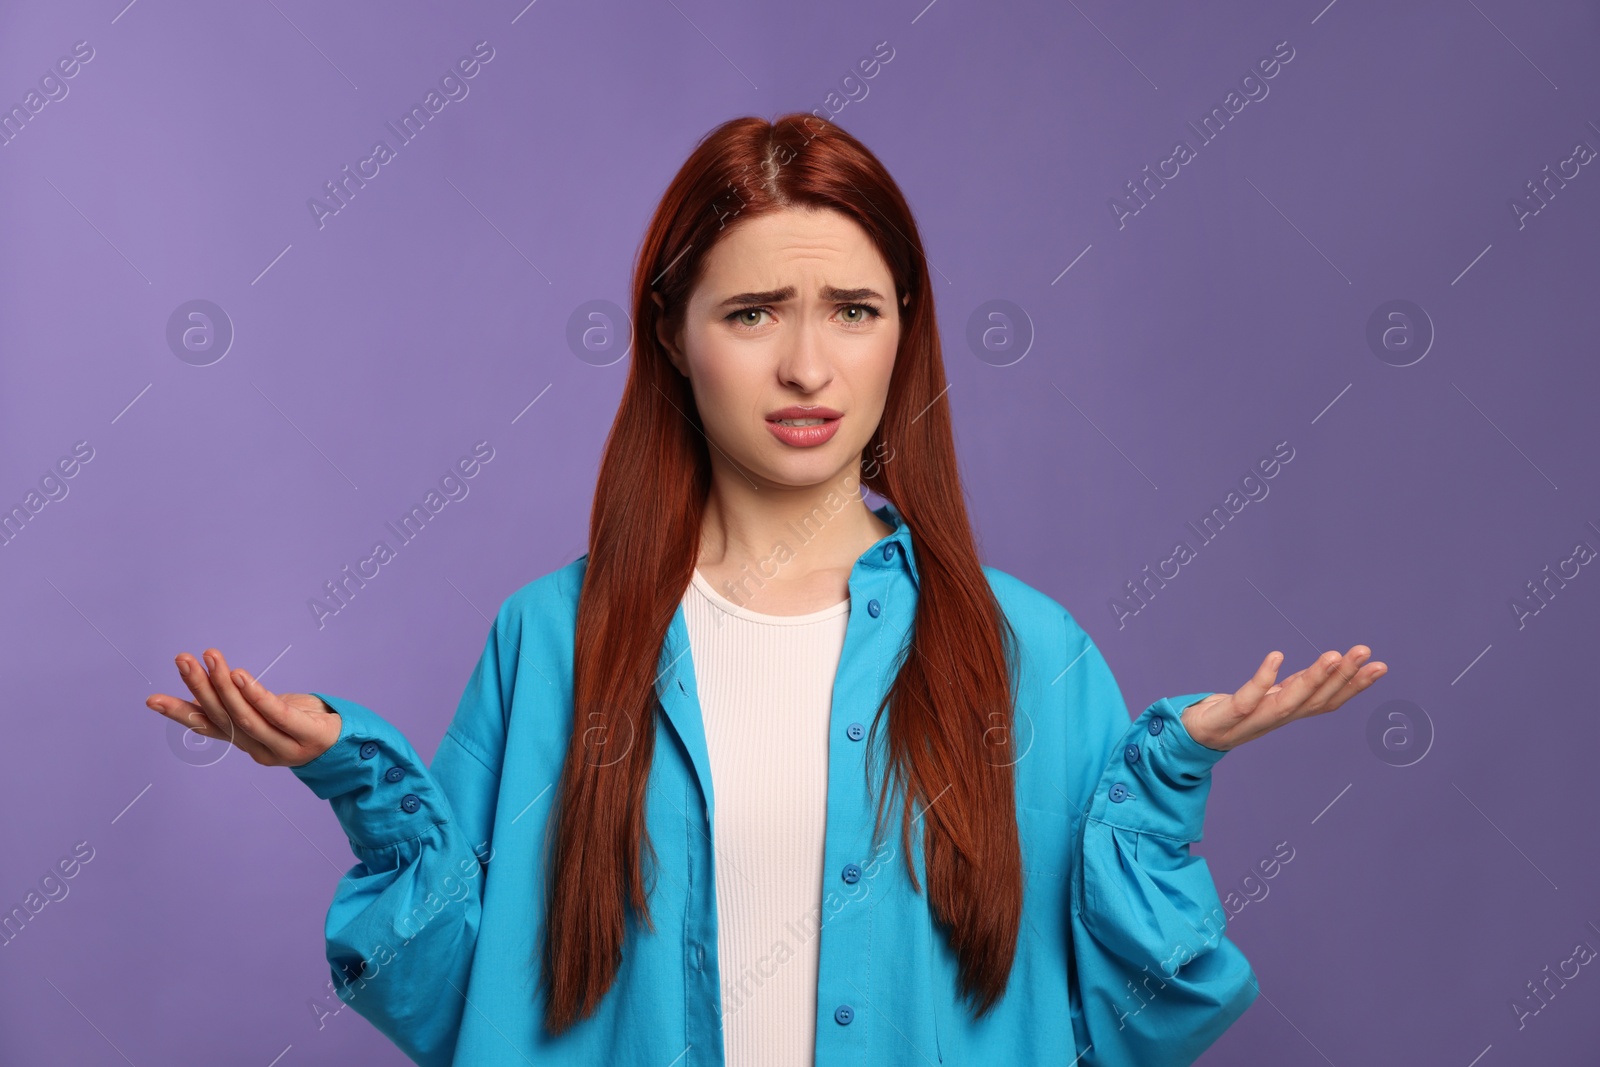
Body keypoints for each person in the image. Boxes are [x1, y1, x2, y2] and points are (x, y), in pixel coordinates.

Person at [142, 113, 1386, 1066]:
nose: (806, 365)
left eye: (851, 309)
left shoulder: (1024, 650)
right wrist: (353, 776)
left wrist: (1162, 791)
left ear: (905, 328)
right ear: (674, 334)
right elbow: (451, 996)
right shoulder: (554, 640)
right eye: (752, 312)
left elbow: (1133, 1018)